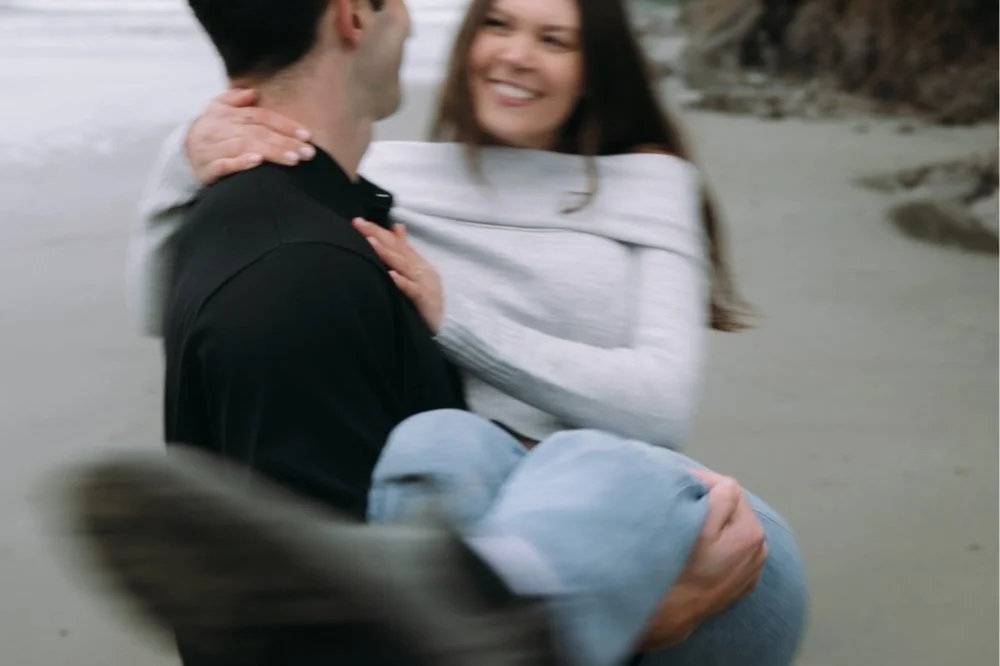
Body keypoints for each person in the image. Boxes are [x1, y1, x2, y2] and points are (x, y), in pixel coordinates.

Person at [110, 0, 807, 664]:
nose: (517, 54)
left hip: (649, 518)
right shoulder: (389, 173)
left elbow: (660, 406)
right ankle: (447, 617)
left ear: (596, 67)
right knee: (437, 439)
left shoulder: (652, 185)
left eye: (554, 39)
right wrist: (187, 152)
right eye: (497, 24)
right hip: (485, 507)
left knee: (589, 456)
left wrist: (458, 321)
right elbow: (181, 299)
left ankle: (507, 607)